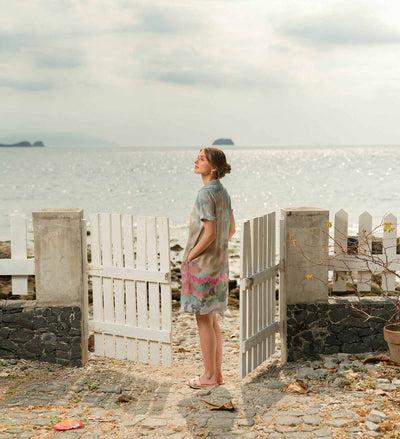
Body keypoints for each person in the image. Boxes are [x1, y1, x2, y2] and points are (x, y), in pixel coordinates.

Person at [181, 146, 235, 389]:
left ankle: (209, 376)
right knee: (211, 321)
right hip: (218, 264)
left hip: (202, 266)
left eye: (201, 159)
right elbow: (230, 230)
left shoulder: (205, 193)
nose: (196, 161)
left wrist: (190, 256)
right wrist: (216, 250)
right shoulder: (223, 192)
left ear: (213, 167)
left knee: (203, 321)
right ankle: (217, 375)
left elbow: (210, 233)